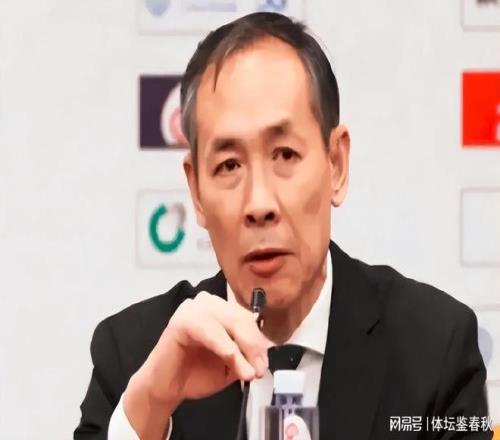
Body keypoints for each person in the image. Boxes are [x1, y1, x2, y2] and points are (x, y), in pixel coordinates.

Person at [74, 12, 491, 440]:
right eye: (229, 165)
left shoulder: (434, 349)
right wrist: (151, 406)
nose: (259, 204)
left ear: (336, 164)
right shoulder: (133, 359)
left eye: (285, 155)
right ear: (196, 191)